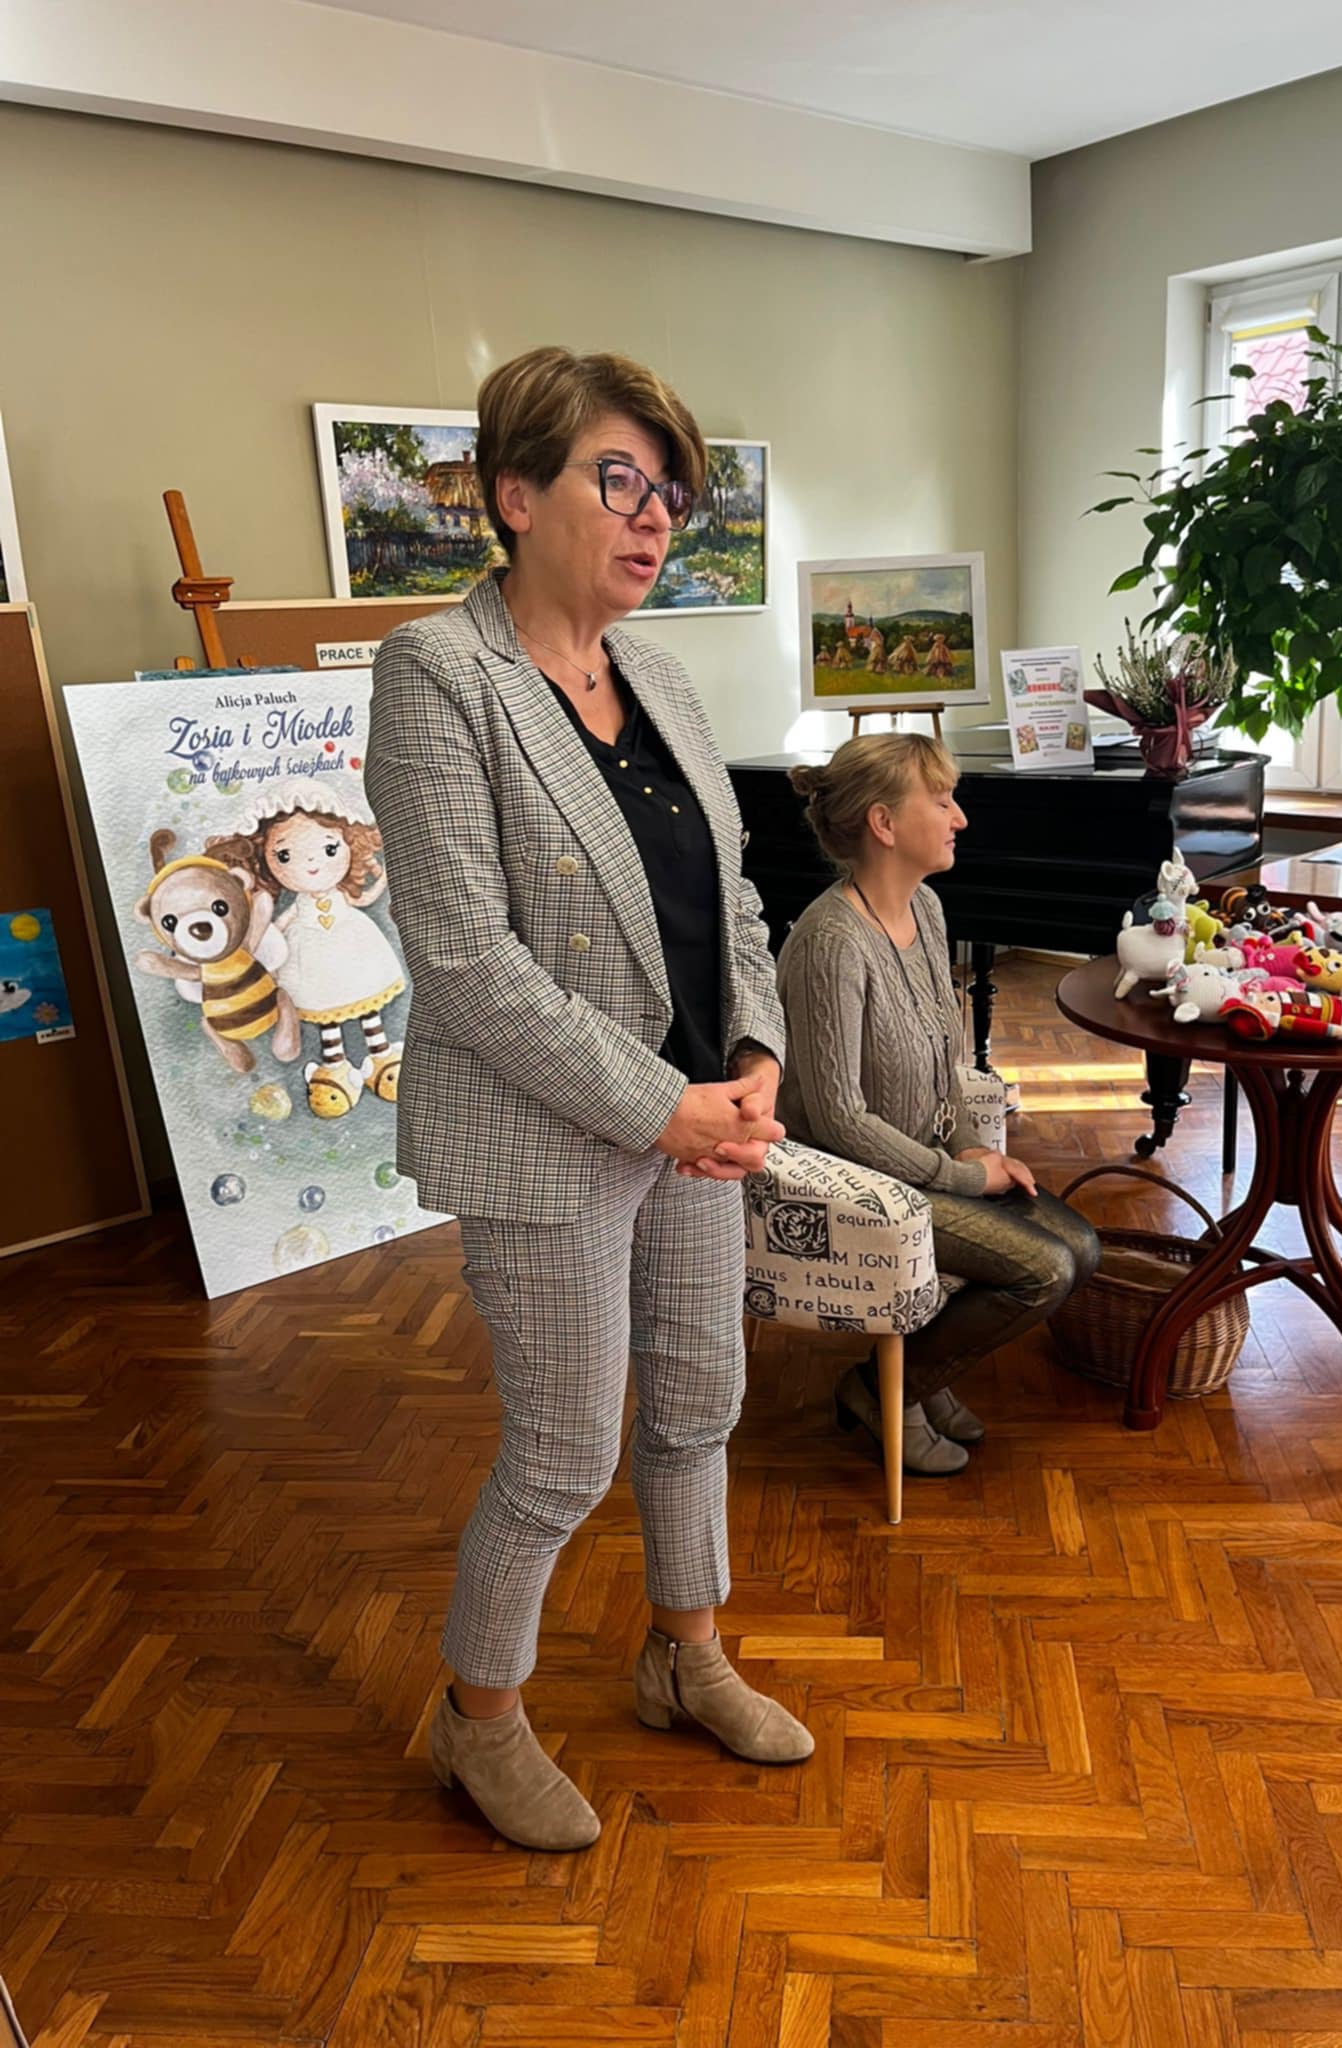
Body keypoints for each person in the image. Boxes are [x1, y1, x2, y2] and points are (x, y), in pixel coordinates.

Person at [366, 346, 813, 1856]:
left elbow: (733, 899)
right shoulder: (439, 673)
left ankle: (685, 1655)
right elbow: (462, 956)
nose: (654, 516)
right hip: (549, 1134)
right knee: (564, 1451)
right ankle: (477, 1719)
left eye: (669, 493)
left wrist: (754, 1055)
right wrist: (663, 1107)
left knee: (699, 1405)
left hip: (700, 1123)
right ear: (515, 494)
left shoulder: (662, 678)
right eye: (618, 480)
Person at [776, 733, 1100, 1477]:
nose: (960, 819)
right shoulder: (831, 942)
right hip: (852, 1181)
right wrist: (961, 1177)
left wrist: (967, 1148)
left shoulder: (925, 907)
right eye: (943, 801)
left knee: (1081, 1248)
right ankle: (880, 1390)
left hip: (922, 1164)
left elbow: (942, 1057)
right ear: (884, 823)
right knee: (1044, 1269)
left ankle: (918, 1375)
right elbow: (840, 1120)